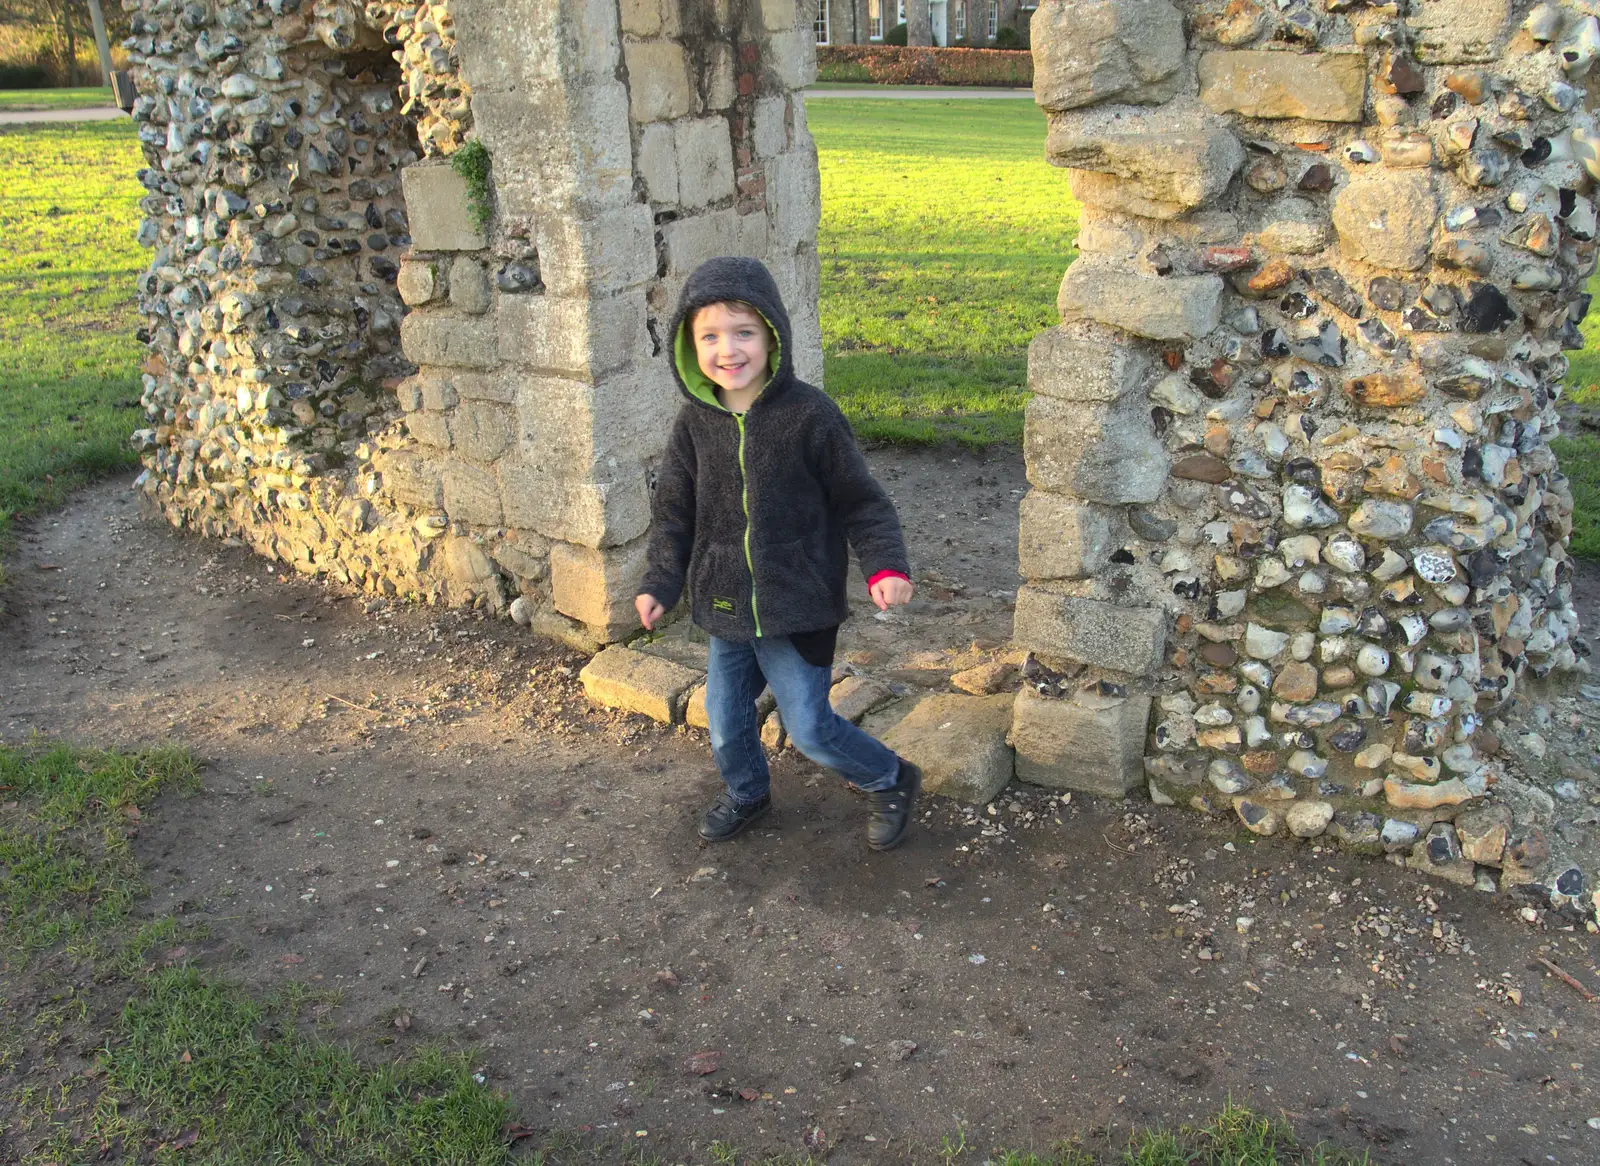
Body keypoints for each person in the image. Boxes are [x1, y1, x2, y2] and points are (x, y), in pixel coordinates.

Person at [635, 256, 922, 850]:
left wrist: (886, 566)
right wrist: (661, 583)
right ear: (689, 346)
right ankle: (747, 792)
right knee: (725, 718)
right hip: (725, 602)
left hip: (799, 604)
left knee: (811, 729)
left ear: (772, 336)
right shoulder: (693, 425)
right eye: (710, 336)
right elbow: (673, 515)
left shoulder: (809, 416)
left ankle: (890, 778)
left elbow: (862, 502)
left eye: (744, 332)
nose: (728, 350)